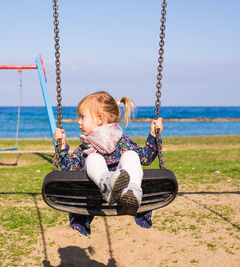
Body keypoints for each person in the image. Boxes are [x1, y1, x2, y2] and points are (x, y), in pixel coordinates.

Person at [53, 91, 163, 236]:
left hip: (124, 192)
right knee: (93, 158)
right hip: (99, 193)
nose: (79, 121)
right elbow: (69, 168)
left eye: (82, 117)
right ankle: (108, 185)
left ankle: (132, 192)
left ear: (99, 119)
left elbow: (146, 158)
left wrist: (154, 135)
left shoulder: (124, 143)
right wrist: (61, 146)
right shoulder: (86, 148)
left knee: (131, 155)